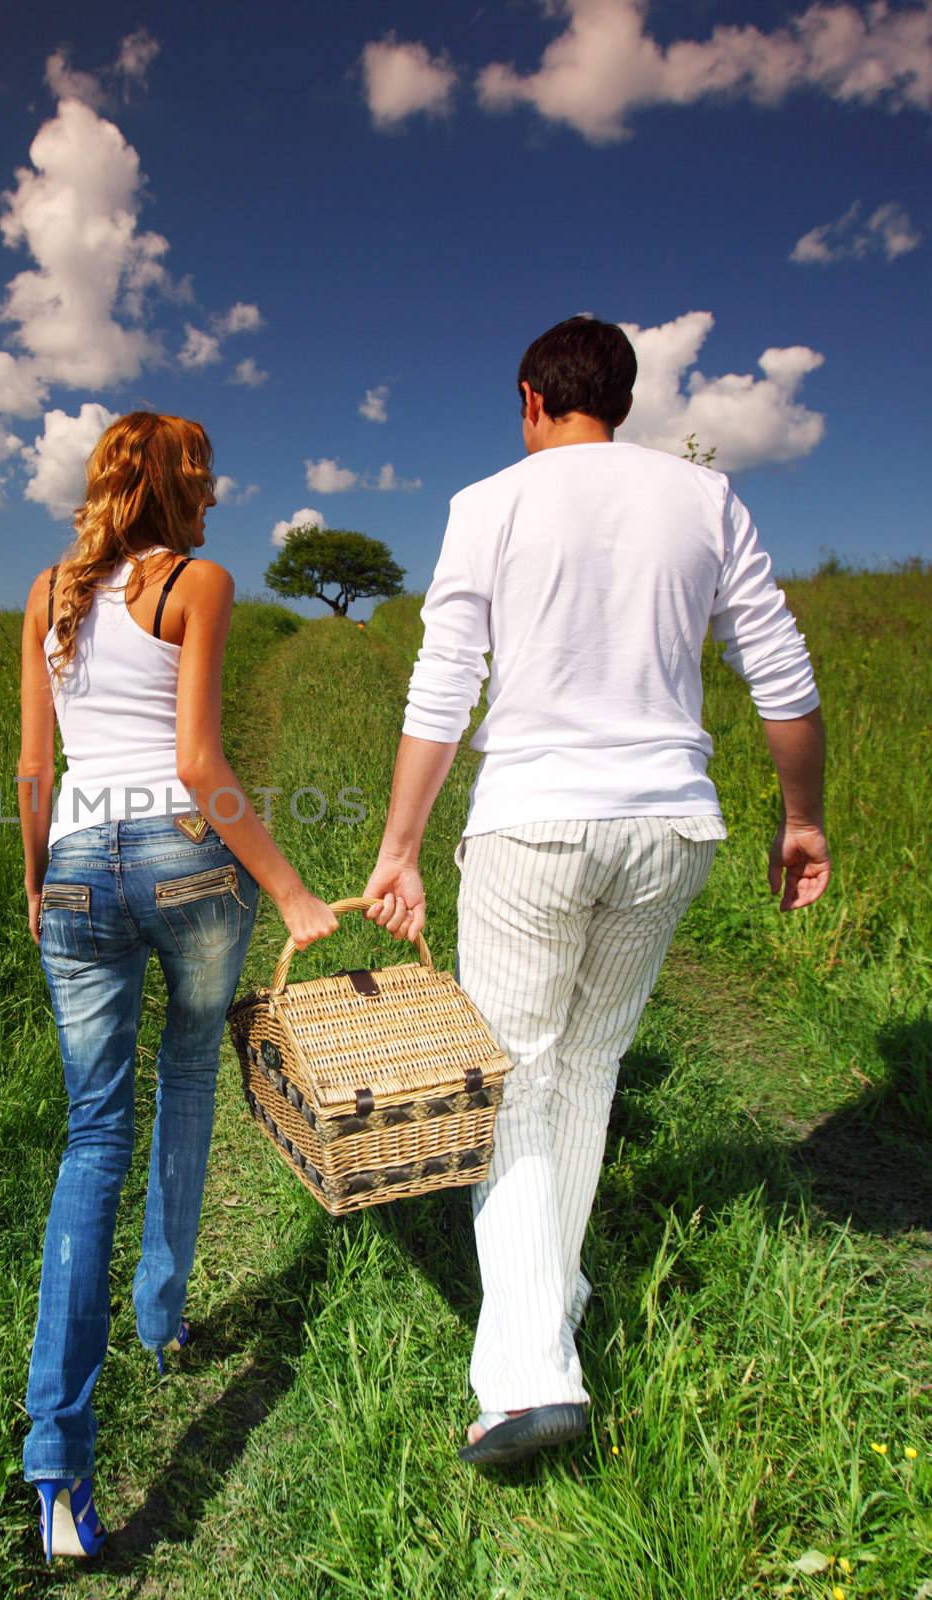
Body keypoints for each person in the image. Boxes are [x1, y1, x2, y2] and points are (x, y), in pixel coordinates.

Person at [361, 316, 831, 1467]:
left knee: (514, 1080)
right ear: (620, 398)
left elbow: (444, 684)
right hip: (670, 824)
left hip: (530, 823)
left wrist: (400, 844)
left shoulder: (488, 504)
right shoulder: (700, 498)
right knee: (583, 1067)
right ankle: (550, 1300)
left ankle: (526, 1382)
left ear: (530, 400)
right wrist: (803, 816)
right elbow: (777, 665)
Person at [16, 411, 338, 1558]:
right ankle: (161, 1318)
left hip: (77, 875)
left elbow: (33, 767)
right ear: (183, 485)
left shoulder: (49, 591)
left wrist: (36, 878)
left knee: (91, 1134)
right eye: (206, 475)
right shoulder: (198, 582)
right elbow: (198, 763)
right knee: (190, 1072)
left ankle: (56, 1468)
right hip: (185, 860)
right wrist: (295, 895)